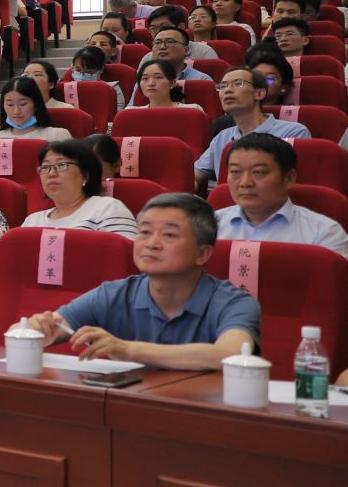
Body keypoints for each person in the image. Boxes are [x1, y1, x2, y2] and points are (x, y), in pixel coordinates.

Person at [26, 195, 259, 368]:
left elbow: (232, 354)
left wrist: (128, 350)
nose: (151, 244)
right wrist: (36, 330)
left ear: (202, 253)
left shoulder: (234, 302)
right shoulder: (114, 294)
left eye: (169, 235)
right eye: (145, 232)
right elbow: (28, 329)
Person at [215, 132, 348, 257]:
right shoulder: (210, 225)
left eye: (258, 172)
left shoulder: (324, 233)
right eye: (235, 171)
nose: (245, 183)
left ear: (288, 178)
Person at [194, 68, 309, 191]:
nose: (227, 90)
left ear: (259, 93)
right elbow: (195, 176)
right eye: (222, 86)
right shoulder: (222, 137)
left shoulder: (293, 132)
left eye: (238, 83)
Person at [23, 139, 137, 236]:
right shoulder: (32, 221)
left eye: (61, 165)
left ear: (85, 175)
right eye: (45, 167)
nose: (51, 173)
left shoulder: (108, 209)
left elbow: (123, 254)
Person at [0, 77, 69, 142]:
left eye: (23, 104)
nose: (16, 111)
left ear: (36, 104)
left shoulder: (57, 136)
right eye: (10, 105)